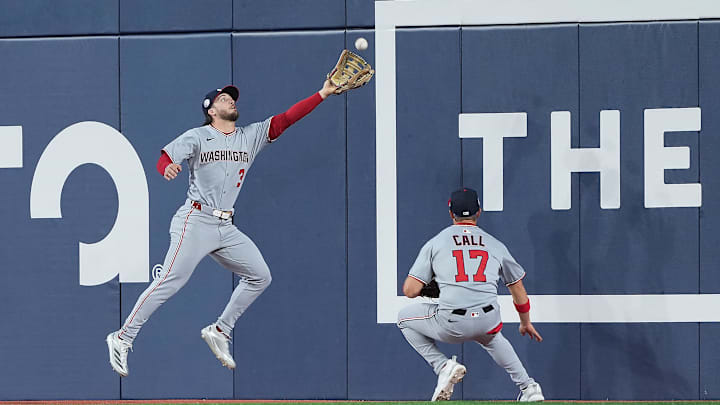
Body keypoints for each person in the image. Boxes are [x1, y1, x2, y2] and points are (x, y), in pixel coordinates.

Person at [106, 78, 341, 377]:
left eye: (232, 97)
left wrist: (322, 94)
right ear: (211, 110)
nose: (231, 100)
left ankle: (220, 329)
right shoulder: (199, 136)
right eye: (223, 98)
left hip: (225, 225)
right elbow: (165, 157)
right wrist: (167, 167)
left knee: (260, 276)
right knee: (170, 281)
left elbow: (286, 119)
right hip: (195, 220)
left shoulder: (250, 136)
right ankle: (122, 337)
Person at [397, 188, 544, 402]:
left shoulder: (436, 243)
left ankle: (443, 366)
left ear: (450, 213)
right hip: (487, 319)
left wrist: (434, 283)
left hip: (451, 323)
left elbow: (410, 291)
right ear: (479, 212)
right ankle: (529, 388)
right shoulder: (495, 244)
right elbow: (517, 287)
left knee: (404, 318)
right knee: (493, 338)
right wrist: (525, 322)